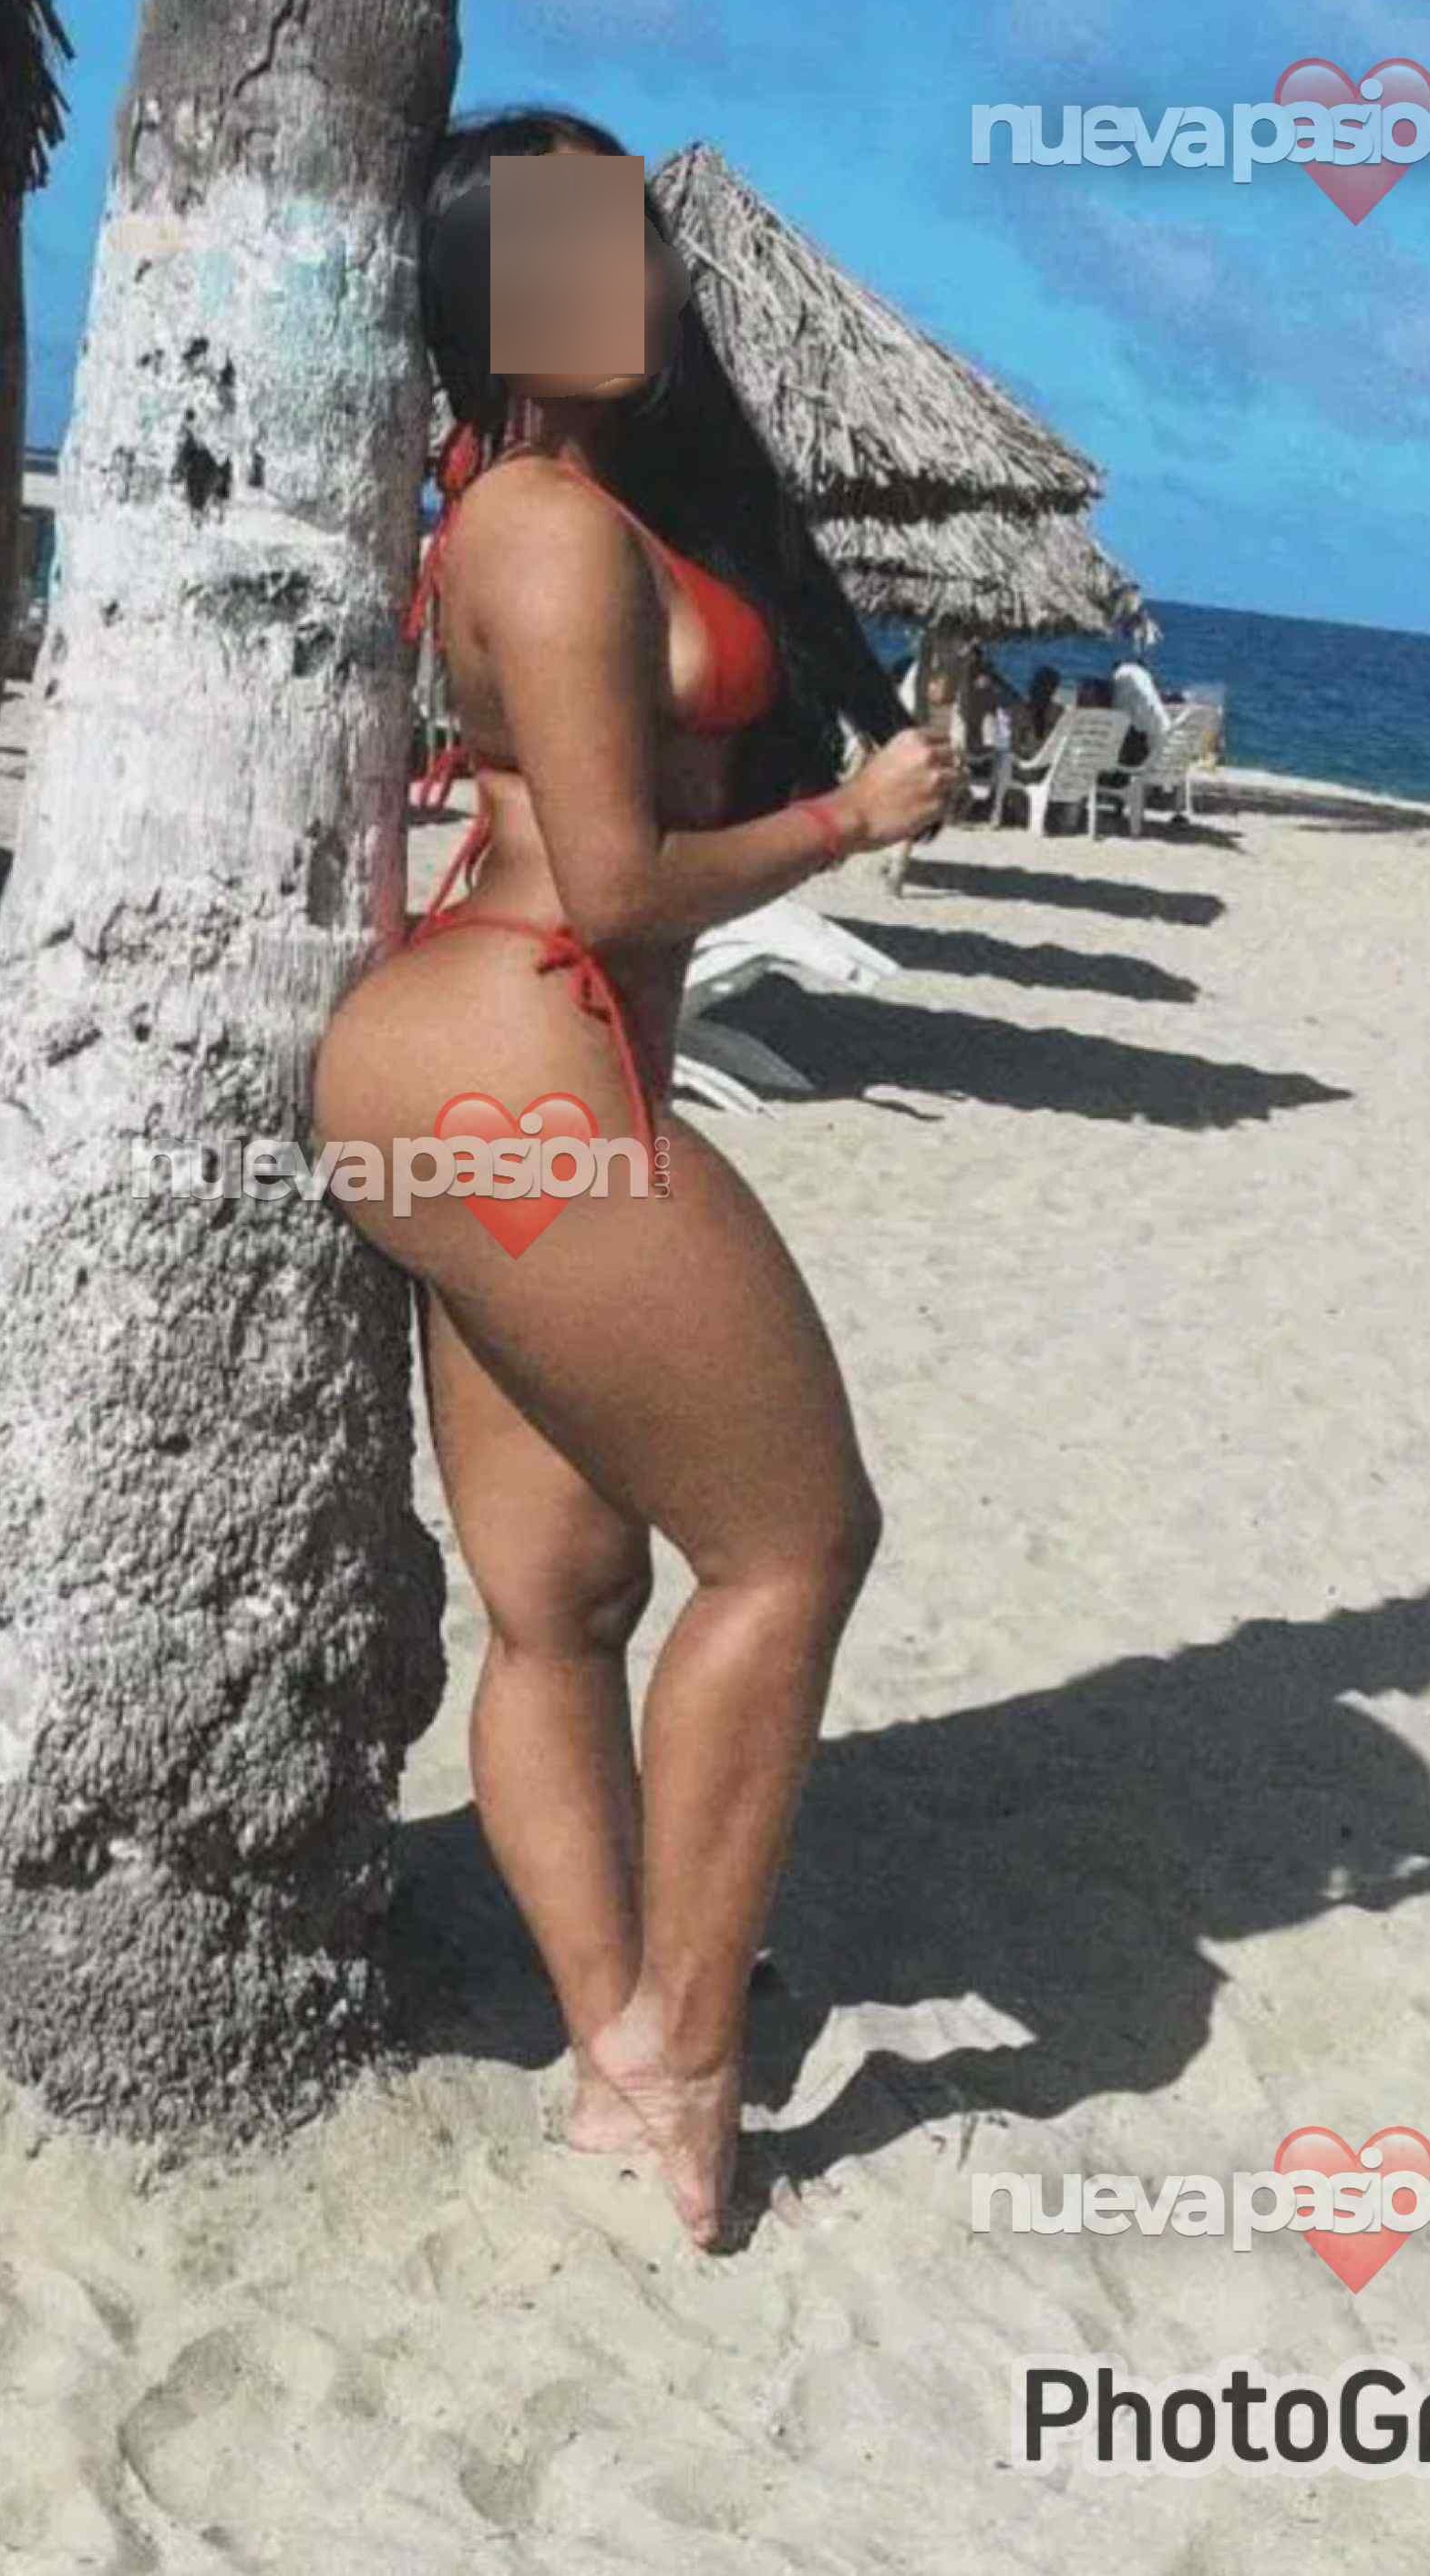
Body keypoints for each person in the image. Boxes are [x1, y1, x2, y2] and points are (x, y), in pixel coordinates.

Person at [313, 111, 957, 2250]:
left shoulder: (533, 511)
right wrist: (849, 820)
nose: (648, 284)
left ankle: (614, 2046)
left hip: (458, 1066)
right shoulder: (547, 532)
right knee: (796, 1537)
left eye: (642, 245)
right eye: (594, 252)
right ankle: (684, 2045)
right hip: (514, 1055)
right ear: (501, 299)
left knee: (563, 1598)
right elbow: (613, 881)